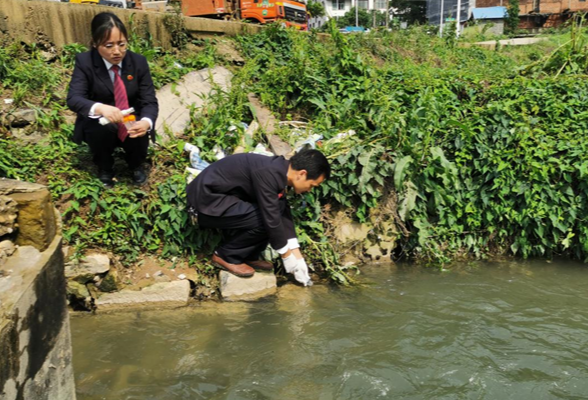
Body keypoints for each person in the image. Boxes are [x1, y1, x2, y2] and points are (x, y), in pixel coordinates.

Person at [186, 149, 330, 285]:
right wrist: (286, 256)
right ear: (302, 174)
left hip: (224, 201)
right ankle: (226, 255)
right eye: (312, 185)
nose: (309, 190)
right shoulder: (268, 173)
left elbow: (282, 211)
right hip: (206, 205)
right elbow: (271, 218)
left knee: (276, 210)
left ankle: (248, 256)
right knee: (267, 219)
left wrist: (297, 256)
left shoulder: (279, 171)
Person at [67, 12, 159, 187]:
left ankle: (136, 165)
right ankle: (105, 167)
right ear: (95, 44)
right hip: (102, 123)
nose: (116, 51)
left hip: (130, 117)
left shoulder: (138, 62)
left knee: (136, 125)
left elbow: (149, 100)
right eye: (108, 45)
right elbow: (74, 98)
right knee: (100, 128)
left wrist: (147, 122)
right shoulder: (85, 62)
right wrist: (101, 108)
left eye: (121, 44)